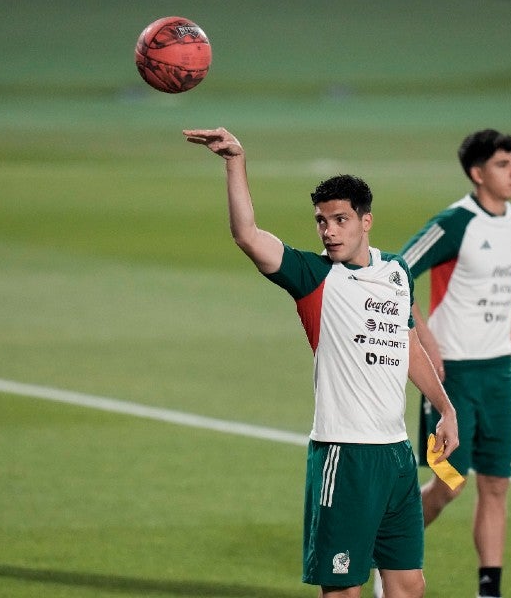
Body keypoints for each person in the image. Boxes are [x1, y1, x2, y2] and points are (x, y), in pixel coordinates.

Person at [184, 127, 459, 598]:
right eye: (321, 221)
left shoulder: (396, 272)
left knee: (410, 586)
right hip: (342, 453)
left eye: (339, 219)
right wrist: (235, 161)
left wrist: (445, 407)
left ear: (365, 221)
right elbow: (247, 235)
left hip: (396, 456)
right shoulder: (314, 279)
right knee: (342, 591)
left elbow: (406, 345)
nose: (328, 231)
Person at [399, 129, 511, 598]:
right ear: (477, 174)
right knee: (449, 484)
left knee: (496, 486)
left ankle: (489, 591)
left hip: (499, 376)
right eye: (502, 164)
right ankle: (386, 556)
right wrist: (424, 336)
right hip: (451, 378)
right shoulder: (456, 223)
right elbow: (398, 268)